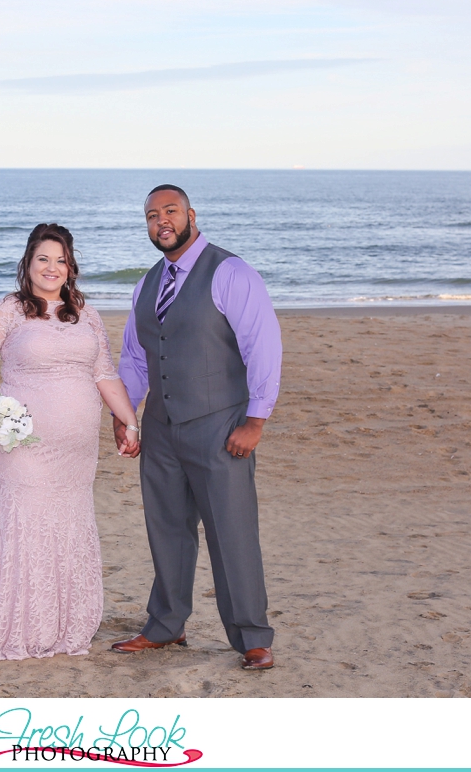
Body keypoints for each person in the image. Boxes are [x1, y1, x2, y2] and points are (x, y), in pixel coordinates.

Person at [111, 184, 282, 671]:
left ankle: (251, 635)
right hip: (162, 428)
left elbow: (262, 347)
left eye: (170, 211)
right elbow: (135, 357)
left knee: (231, 532)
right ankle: (166, 625)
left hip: (220, 424)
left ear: (190, 214)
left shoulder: (231, 272)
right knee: (166, 529)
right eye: (151, 216)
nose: (161, 221)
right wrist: (126, 417)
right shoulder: (147, 283)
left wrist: (256, 420)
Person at [0, 223, 140, 661]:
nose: (52, 267)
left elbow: (104, 374)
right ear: (28, 263)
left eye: (60, 259)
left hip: (76, 455)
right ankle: (16, 630)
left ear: (70, 266)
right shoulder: (9, 310)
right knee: (25, 529)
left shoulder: (86, 315)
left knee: (67, 530)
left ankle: (64, 628)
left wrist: (130, 421)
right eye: (43, 258)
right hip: (25, 447)